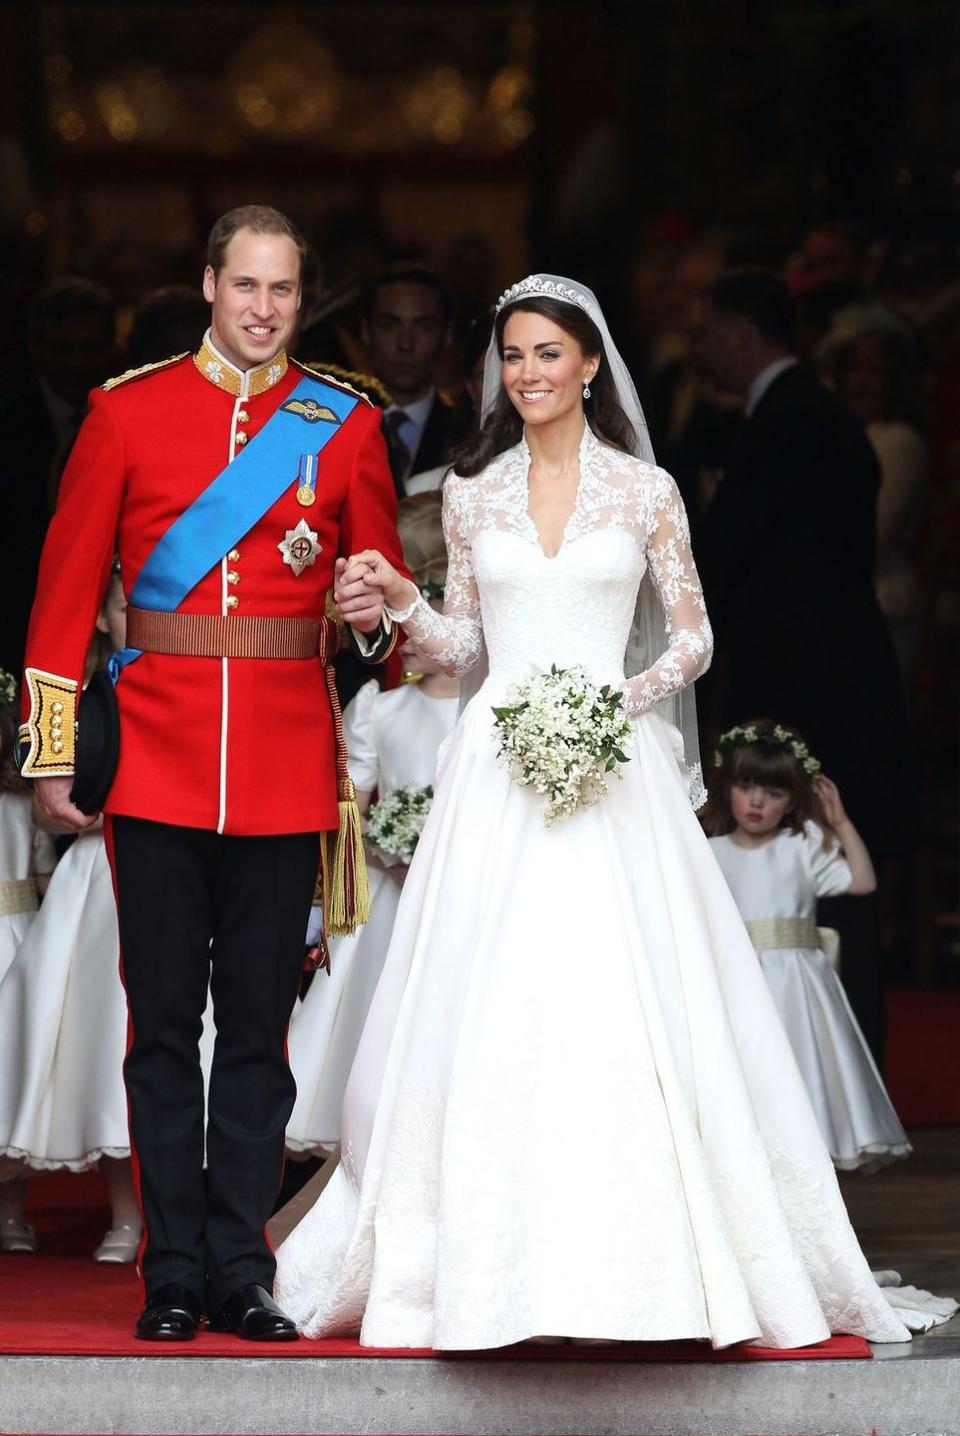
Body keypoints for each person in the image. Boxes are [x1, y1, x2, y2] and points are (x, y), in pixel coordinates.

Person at [273, 274, 953, 1350]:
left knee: (622, 997)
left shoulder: (646, 492)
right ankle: (481, 1263)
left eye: (550, 353)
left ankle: (644, 1264)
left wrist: (609, 705)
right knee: (490, 999)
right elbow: (461, 651)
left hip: (609, 764)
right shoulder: (471, 491)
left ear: (591, 365)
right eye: (514, 354)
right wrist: (405, 602)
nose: (530, 372)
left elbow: (692, 639)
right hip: (496, 770)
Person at [19, 204, 405, 1342]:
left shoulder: (344, 423)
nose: (264, 308)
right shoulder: (126, 412)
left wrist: (373, 611)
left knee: (255, 1034)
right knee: (157, 1029)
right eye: (246, 285)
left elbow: (379, 621)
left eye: (283, 290)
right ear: (208, 284)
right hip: (155, 765)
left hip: (285, 764)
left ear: (301, 297)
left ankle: (243, 1263)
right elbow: (61, 596)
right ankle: (171, 1268)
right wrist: (51, 754)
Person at [695, 267, 917, 1064]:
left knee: (818, 865)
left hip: (801, 686)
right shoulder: (815, 417)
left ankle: (826, 1063)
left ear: (740, 333)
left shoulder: (786, 423)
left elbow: (727, 556)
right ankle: (832, 1060)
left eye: (709, 331)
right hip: (838, 676)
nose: (702, 347)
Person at [286, 493, 460, 1157]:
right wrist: (383, 842)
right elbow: (353, 796)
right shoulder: (380, 709)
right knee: (375, 1006)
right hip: (391, 887)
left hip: (458, 883)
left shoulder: (484, 711)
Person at [0, 567, 141, 1262]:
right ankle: (123, 1217)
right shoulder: (78, 701)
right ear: (102, 619)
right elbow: (42, 804)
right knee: (97, 1038)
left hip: (176, 876)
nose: (140, 618)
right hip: (95, 879)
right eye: (127, 606)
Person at [703, 719, 911, 1173]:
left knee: (799, 1064)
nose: (757, 801)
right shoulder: (711, 851)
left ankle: (801, 1164)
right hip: (738, 978)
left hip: (797, 981)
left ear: (794, 800)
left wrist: (839, 822)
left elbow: (862, 881)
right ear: (728, 789)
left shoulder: (803, 843)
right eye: (745, 786)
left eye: (774, 793)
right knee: (747, 1064)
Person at [0, 278, 118, 674]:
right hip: (20, 629)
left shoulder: (137, 419)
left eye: (90, 348)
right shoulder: (8, 429)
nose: (77, 362)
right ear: (35, 349)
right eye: (61, 349)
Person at [363, 267, 463, 494]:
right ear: (366, 332)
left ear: (446, 335)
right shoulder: (334, 422)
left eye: (423, 327)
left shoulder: (468, 430)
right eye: (389, 325)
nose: (405, 344)